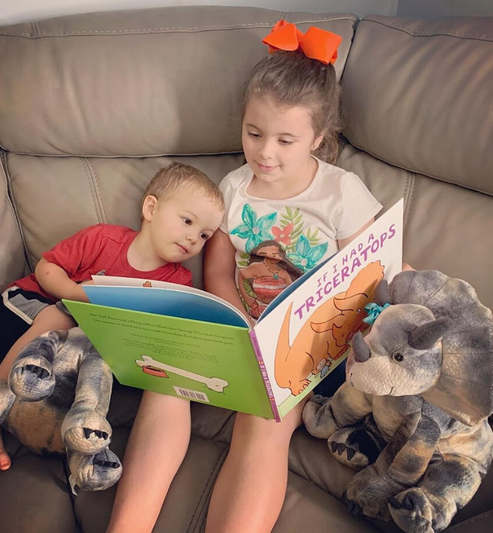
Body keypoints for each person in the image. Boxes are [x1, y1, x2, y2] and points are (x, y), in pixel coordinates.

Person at [203, 21, 383, 532]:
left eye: (286, 139)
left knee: (265, 421)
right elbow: (217, 270)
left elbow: (368, 276)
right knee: (247, 416)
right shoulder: (234, 188)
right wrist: (241, 324)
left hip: (318, 342)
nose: (265, 153)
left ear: (319, 138)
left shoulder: (340, 192)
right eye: (253, 133)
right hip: (249, 335)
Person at [0, 161, 225, 476]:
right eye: (187, 221)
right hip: (27, 309)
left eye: (203, 235)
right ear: (151, 208)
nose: (193, 239)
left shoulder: (179, 282)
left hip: (72, 345)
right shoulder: (104, 239)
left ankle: (74, 440)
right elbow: (46, 269)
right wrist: (76, 296)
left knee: (95, 360)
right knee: (60, 317)